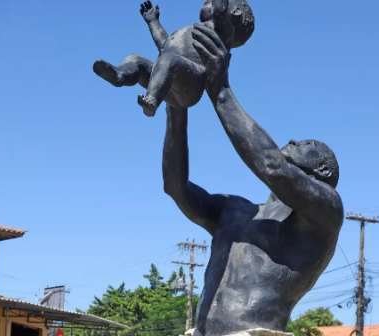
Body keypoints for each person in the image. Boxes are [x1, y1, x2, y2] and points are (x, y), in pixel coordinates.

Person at [161, 23, 345, 336]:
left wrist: (220, 91)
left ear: (323, 172)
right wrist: (176, 109)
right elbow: (175, 188)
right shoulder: (237, 209)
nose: (294, 140)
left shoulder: (327, 213)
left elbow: (272, 167)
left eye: (308, 146)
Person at [92, 0, 254, 117]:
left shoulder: (223, 33)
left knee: (168, 61)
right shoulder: (189, 30)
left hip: (191, 82)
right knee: (135, 60)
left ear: (234, 14)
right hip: (164, 79)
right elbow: (165, 46)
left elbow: (219, 11)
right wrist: (152, 21)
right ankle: (120, 76)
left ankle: (151, 101)